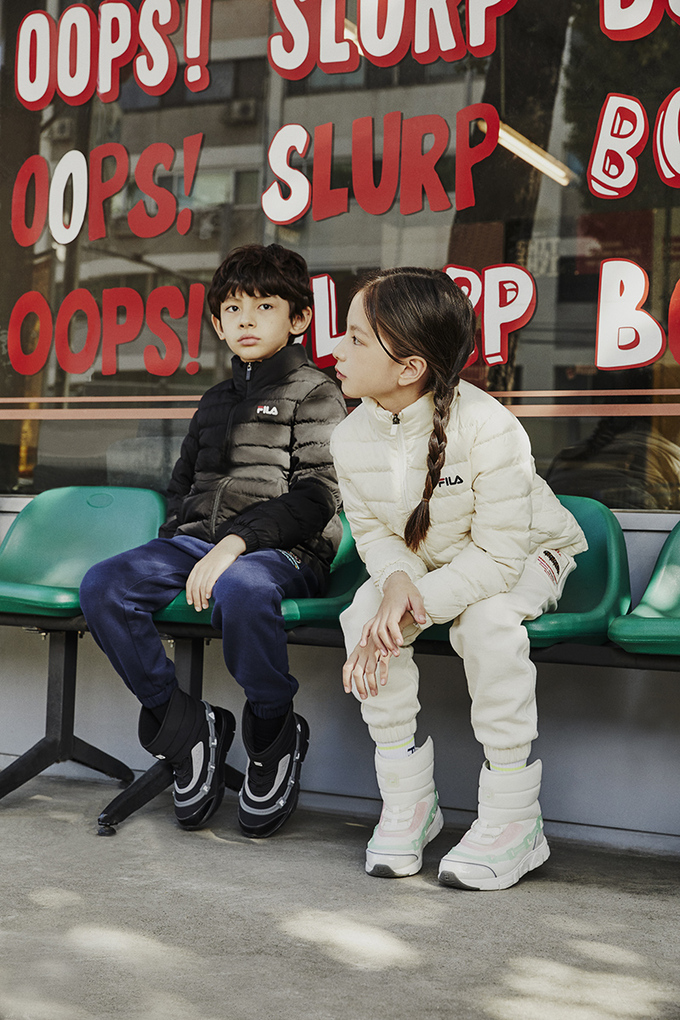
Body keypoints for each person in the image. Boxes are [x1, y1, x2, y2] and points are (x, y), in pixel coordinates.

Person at [330, 267, 587, 890]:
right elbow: (376, 536)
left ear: (409, 368)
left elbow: (498, 558)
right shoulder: (348, 436)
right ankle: (409, 804)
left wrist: (407, 605)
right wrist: (395, 582)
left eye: (356, 338)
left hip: (530, 551)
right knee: (362, 614)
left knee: (487, 621)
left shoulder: (489, 425)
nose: (337, 348)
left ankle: (514, 816)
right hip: (432, 563)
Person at [80, 243, 346, 837]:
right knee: (104, 585)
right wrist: (175, 541)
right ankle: (184, 725)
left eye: (264, 306)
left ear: (299, 318)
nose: (246, 320)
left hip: (283, 552)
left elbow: (319, 496)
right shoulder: (215, 400)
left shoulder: (317, 392)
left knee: (243, 587)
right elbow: (182, 487)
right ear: (219, 324)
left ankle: (274, 730)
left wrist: (236, 544)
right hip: (199, 543)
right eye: (232, 309)